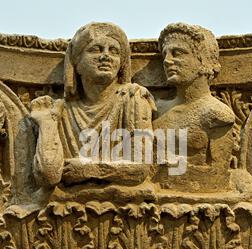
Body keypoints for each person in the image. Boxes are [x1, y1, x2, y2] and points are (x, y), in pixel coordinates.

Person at [30, 22, 155, 188]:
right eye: (95, 49)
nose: (106, 56)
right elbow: (49, 177)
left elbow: (140, 169)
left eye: (114, 51)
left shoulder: (133, 99)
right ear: (77, 63)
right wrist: (47, 123)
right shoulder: (60, 110)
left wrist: (90, 170)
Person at [153, 23, 235, 192]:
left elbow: (218, 176)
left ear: (203, 61)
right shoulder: (157, 109)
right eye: (164, 54)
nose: (167, 61)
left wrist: (166, 172)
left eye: (177, 53)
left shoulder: (216, 114)